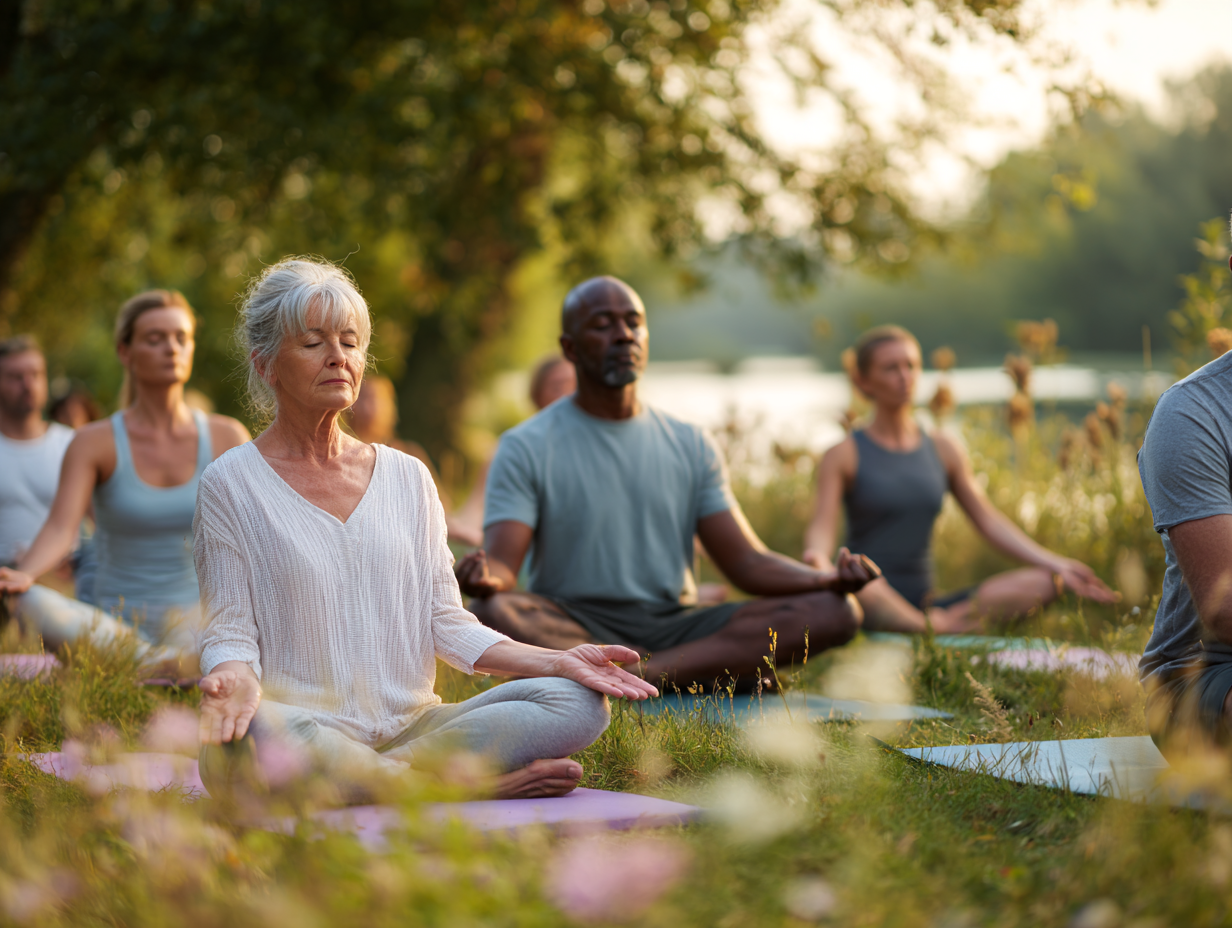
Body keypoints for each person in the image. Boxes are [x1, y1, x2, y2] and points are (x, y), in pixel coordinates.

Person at [194, 258, 656, 802]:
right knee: (259, 729)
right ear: (266, 364)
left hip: (415, 730)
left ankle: (389, 779)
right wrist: (234, 677)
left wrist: (556, 659)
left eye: (350, 341)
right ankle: (455, 789)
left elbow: (445, 621)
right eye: (313, 342)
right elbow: (227, 630)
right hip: (303, 727)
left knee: (575, 701)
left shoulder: (407, 477)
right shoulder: (230, 482)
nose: (338, 358)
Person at [453, 276, 878, 691]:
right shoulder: (524, 444)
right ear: (570, 348)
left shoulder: (690, 442)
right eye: (602, 325)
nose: (623, 336)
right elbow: (504, 566)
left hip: (678, 624)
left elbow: (747, 563)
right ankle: (706, 671)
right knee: (492, 610)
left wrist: (826, 580)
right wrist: (485, 578)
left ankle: (643, 674)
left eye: (633, 322)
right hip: (572, 621)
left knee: (836, 611)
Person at [802, 325, 1115, 635]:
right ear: (863, 381)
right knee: (862, 587)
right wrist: (819, 562)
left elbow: (988, 520)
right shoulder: (843, 454)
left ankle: (935, 625)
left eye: (911, 365)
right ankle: (933, 628)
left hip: (929, 603)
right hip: (871, 597)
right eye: (890, 368)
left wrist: (1056, 564)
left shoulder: (943, 447)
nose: (905, 376)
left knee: (1048, 582)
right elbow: (821, 532)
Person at [0, 290, 249, 657]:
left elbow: (251, 535)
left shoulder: (226, 436)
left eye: (181, 337)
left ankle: (160, 665)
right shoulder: (92, 442)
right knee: (28, 600)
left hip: (197, 626)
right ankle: (166, 667)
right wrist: (25, 574)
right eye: (155, 339)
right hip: (110, 629)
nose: (171, 348)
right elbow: (61, 528)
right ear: (125, 352)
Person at [447, 354, 578, 548]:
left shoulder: (594, 449)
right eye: (557, 386)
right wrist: (456, 527)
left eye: (574, 386)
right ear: (537, 395)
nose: (566, 394)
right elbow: (476, 506)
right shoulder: (512, 448)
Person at [345, 373, 479, 545]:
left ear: (390, 406)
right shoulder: (340, 459)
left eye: (372, 398)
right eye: (360, 398)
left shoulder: (409, 455)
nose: (364, 406)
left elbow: (440, 511)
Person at [0, 337, 76, 571]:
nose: (28, 384)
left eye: (36, 374)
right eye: (15, 377)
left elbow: (103, 522)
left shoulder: (71, 444)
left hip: (64, 583)